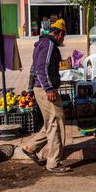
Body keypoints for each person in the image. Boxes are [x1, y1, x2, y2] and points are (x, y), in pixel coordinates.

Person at [21, 19, 71, 173]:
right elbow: (41, 68)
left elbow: (41, 66)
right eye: (63, 36)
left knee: (53, 122)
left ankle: (31, 147)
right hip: (45, 90)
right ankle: (53, 163)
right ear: (60, 33)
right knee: (55, 124)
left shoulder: (45, 43)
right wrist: (48, 88)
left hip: (42, 89)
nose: (63, 40)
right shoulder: (48, 44)